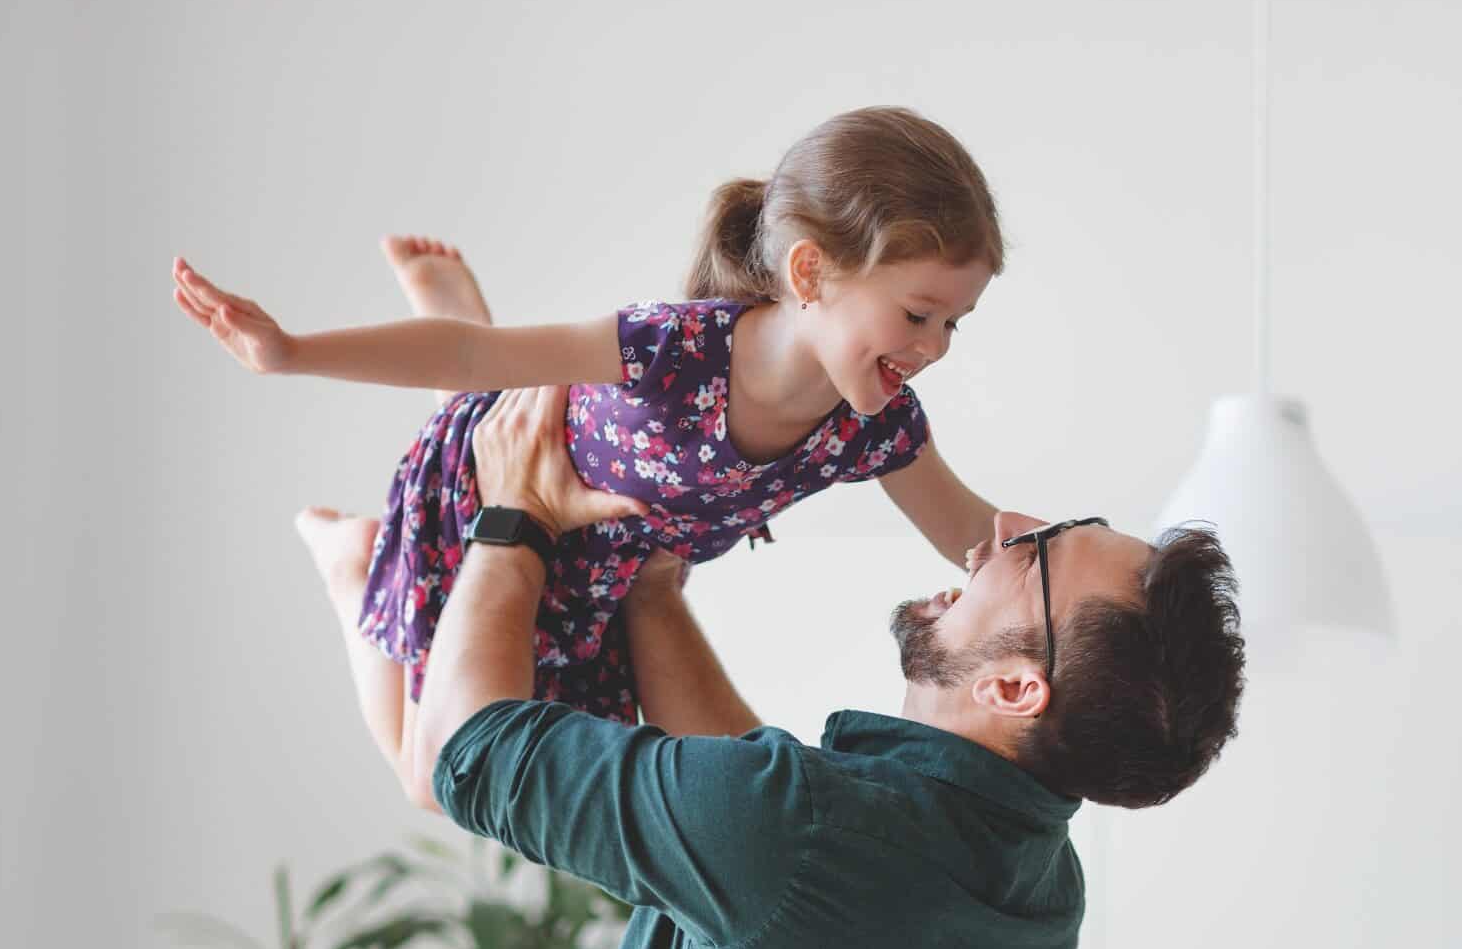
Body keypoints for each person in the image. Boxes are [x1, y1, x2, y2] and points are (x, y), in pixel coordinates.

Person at [297, 381, 1247, 949]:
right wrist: (652, 585)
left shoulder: (796, 831)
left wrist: (517, 513)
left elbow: (469, 751)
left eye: (1038, 552)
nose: (1006, 528)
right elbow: (772, 835)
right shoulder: (1038, 901)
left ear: (1013, 688)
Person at [173, 107, 1010, 778]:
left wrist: (1136, 570)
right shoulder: (673, 349)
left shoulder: (876, 428)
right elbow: (474, 361)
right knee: (433, 783)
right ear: (809, 274)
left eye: (952, 325)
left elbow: (983, 539)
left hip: (593, 587)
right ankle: (352, 565)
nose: (932, 348)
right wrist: (291, 353)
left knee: (507, 774)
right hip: (486, 499)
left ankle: (451, 296)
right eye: (915, 315)